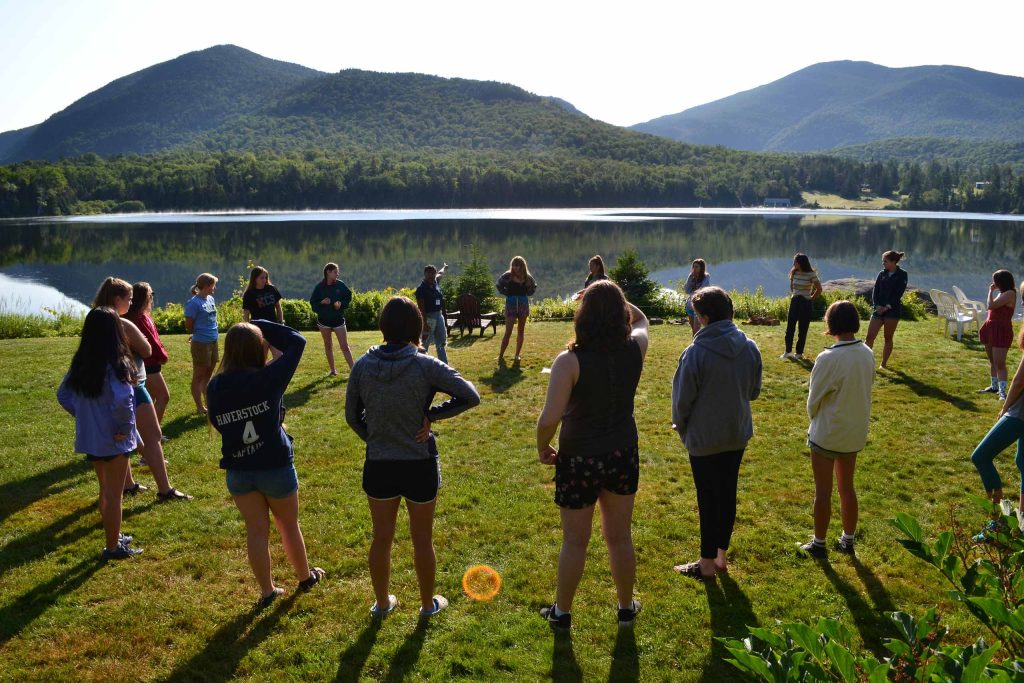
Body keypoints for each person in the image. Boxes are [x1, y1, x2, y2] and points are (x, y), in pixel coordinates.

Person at [345, 296, 480, 619]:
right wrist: (430, 416)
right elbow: (470, 395)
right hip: (419, 463)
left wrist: (377, 436)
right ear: (417, 327)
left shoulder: (363, 365)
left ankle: (381, 604)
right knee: (423, 540)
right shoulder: (424, 363)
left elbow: (352, 416)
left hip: (379, 464)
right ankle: (426, 605)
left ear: (383, 326)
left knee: (381, 538)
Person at [536, 280, 649, 629]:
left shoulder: (569, 361)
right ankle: (626, 608)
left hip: (579, 458)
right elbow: (642, 320)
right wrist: (616, 296)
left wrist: (543, 446)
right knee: (620, 537)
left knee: (575, 541)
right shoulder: (636, 346)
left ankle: (562, 613)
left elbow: (549, 418)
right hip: (622, 453)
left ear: (582, 315)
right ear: (621, 314)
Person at [207, 319, 325, 608]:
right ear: (258, 349)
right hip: (275, 465)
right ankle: (305, 577)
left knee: (256, 531)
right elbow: (297, 341)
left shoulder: (215, 385)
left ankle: (267, 591)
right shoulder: (269, 378)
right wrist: (258, 323)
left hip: (238, 470)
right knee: (288, 525)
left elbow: (218, 422)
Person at [671, 286, 762, 580]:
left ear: (706, 317)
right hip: (736, 433)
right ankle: (720, 556)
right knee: (727, 494)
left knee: (708, 499)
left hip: (705, 438)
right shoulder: (749, 347)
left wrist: (680, 426)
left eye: (696, 316)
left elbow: (682, 401)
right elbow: (754, 391)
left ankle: (706, 564)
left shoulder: (695, 353)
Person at [57, 307, 142, 560]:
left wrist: (83, 415)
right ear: (116, 331)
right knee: (115, 496)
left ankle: (114, 535)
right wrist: (125, 429)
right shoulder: (118, 364)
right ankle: (113, 547)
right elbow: (123, 401)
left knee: (104, 489)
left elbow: (63, 395)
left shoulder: (81, 363)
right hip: (114, 438)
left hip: (92, 438)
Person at [96, 277, 191, 503]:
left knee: (122, 439)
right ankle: (165, 490)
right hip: (132, 385)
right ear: (116, 299)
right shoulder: (122, 323)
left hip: (105, 388)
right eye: (128, 299)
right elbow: (146, 350)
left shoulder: (95, 322)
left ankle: (127, 485)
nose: (130, 303)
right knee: (153, 435)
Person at [798, 301, 874, 558]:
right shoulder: (866, 352)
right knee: (847, 487)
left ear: (831, 324)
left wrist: (813, 422)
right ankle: (848, 540)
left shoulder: (829, 357)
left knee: (823, 491)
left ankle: (819, 543)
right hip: (854, 431)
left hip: (828, 432)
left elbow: (814, 400)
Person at [970, 302, 1024, 539]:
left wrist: (1005, 407)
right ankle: (1021, 523)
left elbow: (1019, 380)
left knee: (981, 456)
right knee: (1023, 463)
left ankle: (997, 525)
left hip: (1021, 411)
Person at [977, 270, 1017, 400]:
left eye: (995, 281)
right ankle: (994, 386)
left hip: (1001, 330)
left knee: (1000, 363)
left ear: (1001, 282)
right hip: (991, 328)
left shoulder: (1010, 293)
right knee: (992, 361)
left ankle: (1002, 392)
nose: (993, 283)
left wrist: (990, 291)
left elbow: (991, 305)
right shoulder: (1002, 293)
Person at [864, 251, 908, 369]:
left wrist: (887, 306)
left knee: (888, 338)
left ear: (893, 262)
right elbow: (875, 291)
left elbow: (898, 293)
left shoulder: (903, 274)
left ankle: (883, 364)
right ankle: (864, 362)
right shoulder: (881, 274)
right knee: (869, 337)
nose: (883, 263)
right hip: (878, 311)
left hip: (892, 312)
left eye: (885, 261)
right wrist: (877, 306)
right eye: (883, 261)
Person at [309, 262, 354, 376]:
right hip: (324, 321)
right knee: (328, 345)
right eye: (335, 272)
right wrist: (321, 302)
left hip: (338, 320)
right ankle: (333, 371)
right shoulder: (319, 287)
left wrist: (341, 304)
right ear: (328, 272)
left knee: (344, 346)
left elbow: (348, 297)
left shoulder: (340, 285)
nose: (337, 274)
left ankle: (354, 371)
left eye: (337, 272)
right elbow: (313, 304)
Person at [185, 273, 219, 414]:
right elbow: (189, 325)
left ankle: (208, 403)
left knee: (208, 374)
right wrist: (197, 334)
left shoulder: (210, 298)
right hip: (201, 343)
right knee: (199, 375)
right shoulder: (194, 303)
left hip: (213, 340)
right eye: (213, 285)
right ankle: (199, 407)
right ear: (206, 286)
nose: (214, 288)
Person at [781, 253, 822, 360]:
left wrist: (811, 299)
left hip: (805, 302)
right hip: (794, 301)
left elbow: (819, 289)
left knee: (802, 329)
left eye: (795, 262)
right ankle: (788, 351)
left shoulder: (811, 274)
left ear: (801, 263)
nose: (794, 263)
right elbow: (792, 287)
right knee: (790, 327)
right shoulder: (794, 272)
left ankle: (799, 353)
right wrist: (795, 293)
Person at [496, 256, 537, 362]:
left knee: (521, 331)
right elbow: (498, 285)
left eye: (518, 265)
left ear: (522, 265)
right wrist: (507, 293)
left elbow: (534, 286)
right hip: (511, 304)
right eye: (514, 265)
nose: (516, 267)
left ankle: (517, 355)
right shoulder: (507, 276)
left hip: (523, 304)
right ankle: (501, 355)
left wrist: (527, 293)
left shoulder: (527, 277)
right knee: (508, 332)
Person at [243, 266, 285, 360]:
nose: (264, 279)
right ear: (255, 279)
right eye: (261, 277)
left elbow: (278, 307)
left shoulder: (271, 289)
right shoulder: (249, 294)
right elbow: (246, 313)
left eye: (265, 277)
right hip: (259, 329)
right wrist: (248, 330)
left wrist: (281, 322)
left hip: (273, 326)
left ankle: (268, 372)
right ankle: (263, 373)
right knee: (262, 358)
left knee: (279, 356)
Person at [415, 263, 449, 365]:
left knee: (441, 342)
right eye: (429, 274)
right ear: (425, 274)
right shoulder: (421, 289)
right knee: (424, 344)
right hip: (428, 318)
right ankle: (420, 365)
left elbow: (440, 273)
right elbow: (421, 309)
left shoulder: (435, 282)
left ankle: (444, 365)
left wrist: (444, 267)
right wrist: (424, 323)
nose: (432, 276)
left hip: (439, 316)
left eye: (433, 274)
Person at [683, 259, 711, 336]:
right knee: (693, 329)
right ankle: (695, 343)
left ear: (701, 268)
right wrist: (690, 278)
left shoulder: (706, 276)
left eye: (696, 267)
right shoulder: (691, 276)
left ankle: (698, 344)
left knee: (696, 328)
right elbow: (687, 290)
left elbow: (702, 290)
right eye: (693, 266)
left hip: (699, 305)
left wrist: (693, 291)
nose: (694, 268)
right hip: (689, 304)